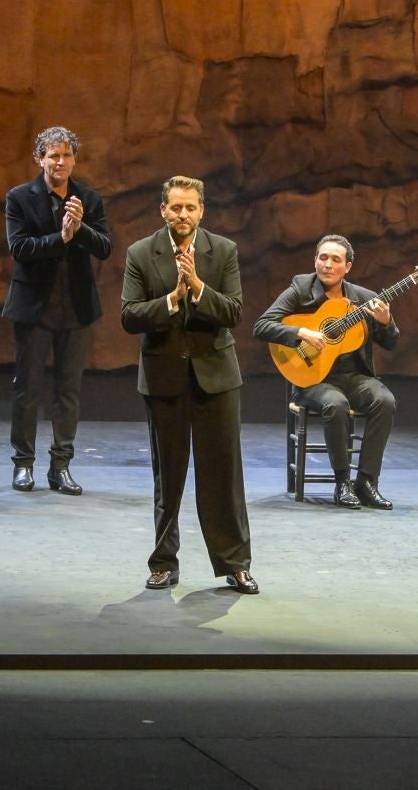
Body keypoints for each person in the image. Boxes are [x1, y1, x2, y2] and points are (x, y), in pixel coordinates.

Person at [120, 176, 256, 593]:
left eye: (190, 208)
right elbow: (129, 316)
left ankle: (235, 564)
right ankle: (163, 563)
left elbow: (233, 311)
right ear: (163, 210)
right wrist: (172, 299)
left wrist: (197, 287)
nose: (183, 214)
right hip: (164, 377)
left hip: (217, 377)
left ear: (202, 211)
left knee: (223, 475)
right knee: (169, 476)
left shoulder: (224, 250)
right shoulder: (141, 253)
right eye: (176, 207)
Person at [253, 235, 400, 509]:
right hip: (313, 379)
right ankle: (343, 483)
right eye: (323, 258)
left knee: (385, 401)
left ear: (348, 267)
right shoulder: (300, 289)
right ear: (315, 261)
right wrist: (301, 332)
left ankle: (367, 482)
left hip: (354, 377)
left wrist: (386, 321)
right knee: (336, 403)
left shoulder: (364, 300)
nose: (328, 265)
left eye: (335, 259)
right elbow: (262, 326)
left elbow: (391, 342)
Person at [2, 127, 112, 495]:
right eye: (53, 155)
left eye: (66, 155)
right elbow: (19, 248)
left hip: (75, 308)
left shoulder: (88, 198)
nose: (60, 162)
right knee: (27, 390)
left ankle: (60, 466)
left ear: (74, 160)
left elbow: (105, 247)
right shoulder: (20, 197)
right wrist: (60, 238)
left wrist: (79, 228)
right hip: (34, 307)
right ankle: (23, 463)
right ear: (40, 159)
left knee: (68, 391)